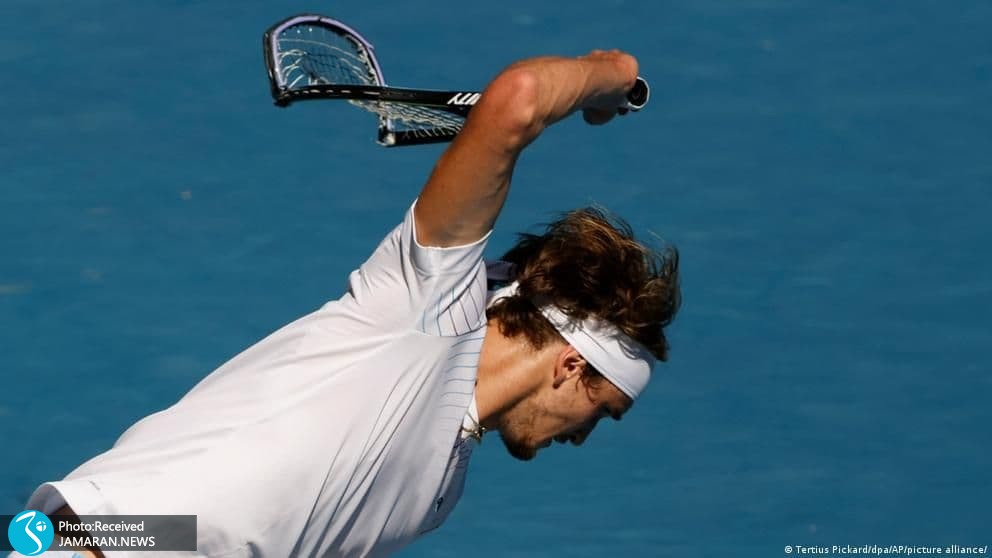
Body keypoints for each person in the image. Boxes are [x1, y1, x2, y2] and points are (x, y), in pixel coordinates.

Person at [15, 50, 680, 557]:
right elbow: (520, 98)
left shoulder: (437, 496)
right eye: (605, 410)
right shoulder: (429, 304)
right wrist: (612, 75)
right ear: (571, 364)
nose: (585, 434)